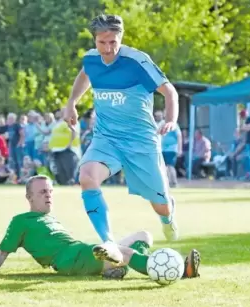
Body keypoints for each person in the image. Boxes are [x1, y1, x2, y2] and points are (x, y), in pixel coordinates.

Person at [63, 14, 180, 264]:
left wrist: (170, 119)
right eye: (102, 43)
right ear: (95, 40)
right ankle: (108, 241)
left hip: (141, 141)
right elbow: (85, 75)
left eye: (113, 42)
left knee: (160, 205)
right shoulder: (92, 59)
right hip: (107, 138)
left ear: (121, 38)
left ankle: (168, 216)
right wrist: (72, 102)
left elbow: (169, 91)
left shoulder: (137, 61)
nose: (108, 49)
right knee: (87, 177)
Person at [0, 175, 201, 280]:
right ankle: (181, 271)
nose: (48, 196)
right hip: (70, 260)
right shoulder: (21, 221)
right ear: (29, 197)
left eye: (50, 191)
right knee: (125, 253)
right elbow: (1, 252)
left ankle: (118, 268)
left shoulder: (50, 218)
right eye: (42, 192)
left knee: (144, 235)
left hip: (82, 251)